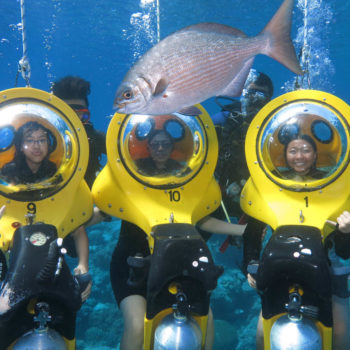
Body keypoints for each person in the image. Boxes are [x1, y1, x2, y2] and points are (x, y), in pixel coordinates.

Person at [213, 69, 273, 219]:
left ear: (269, 100)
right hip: (221, 194)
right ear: (243, 94)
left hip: (261, 197)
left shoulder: (275, 128)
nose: (255, 100)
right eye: (251, 93)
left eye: (261, 96)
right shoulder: (222, 121)